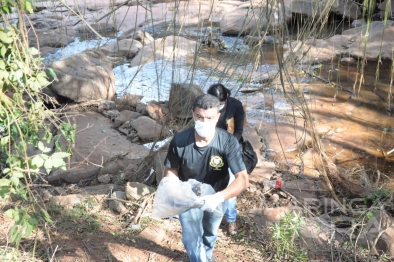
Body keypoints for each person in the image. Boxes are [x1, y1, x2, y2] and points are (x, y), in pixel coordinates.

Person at [164, 94, 249, 262]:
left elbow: (242, 179)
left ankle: (207, 256)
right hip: (189, 197)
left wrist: (219, 197)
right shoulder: (180, 141)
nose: (204, 122)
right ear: (193, 114)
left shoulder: (228, 142)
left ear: (218, 117)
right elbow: (171, 169)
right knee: (191, 238)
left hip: (217, 197)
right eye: (199, 117)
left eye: (210, 118)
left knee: (210, 232)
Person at [207, 83, 245, 235]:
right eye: (217, 104)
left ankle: (231, 220)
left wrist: (228, 148)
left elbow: (239, 131)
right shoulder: (205, 104)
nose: (219, 107)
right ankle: (209, 214)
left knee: (229, 184)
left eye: (221, 104)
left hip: (230, 148)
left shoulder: (235, 105)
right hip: (209, 147)